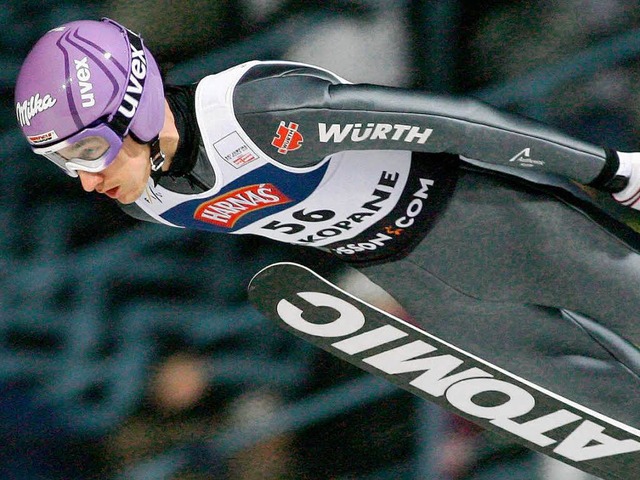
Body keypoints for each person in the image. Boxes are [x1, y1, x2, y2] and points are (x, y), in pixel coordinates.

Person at [14, 19, 640, 428]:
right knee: (610, 421)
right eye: (60, 162)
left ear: (134, 105)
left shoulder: (257, 113)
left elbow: (452, 123)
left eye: (86, 152)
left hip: (506, 224)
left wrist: (607, 167)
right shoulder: (144, 199)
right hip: (429, 287)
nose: (86, 180)